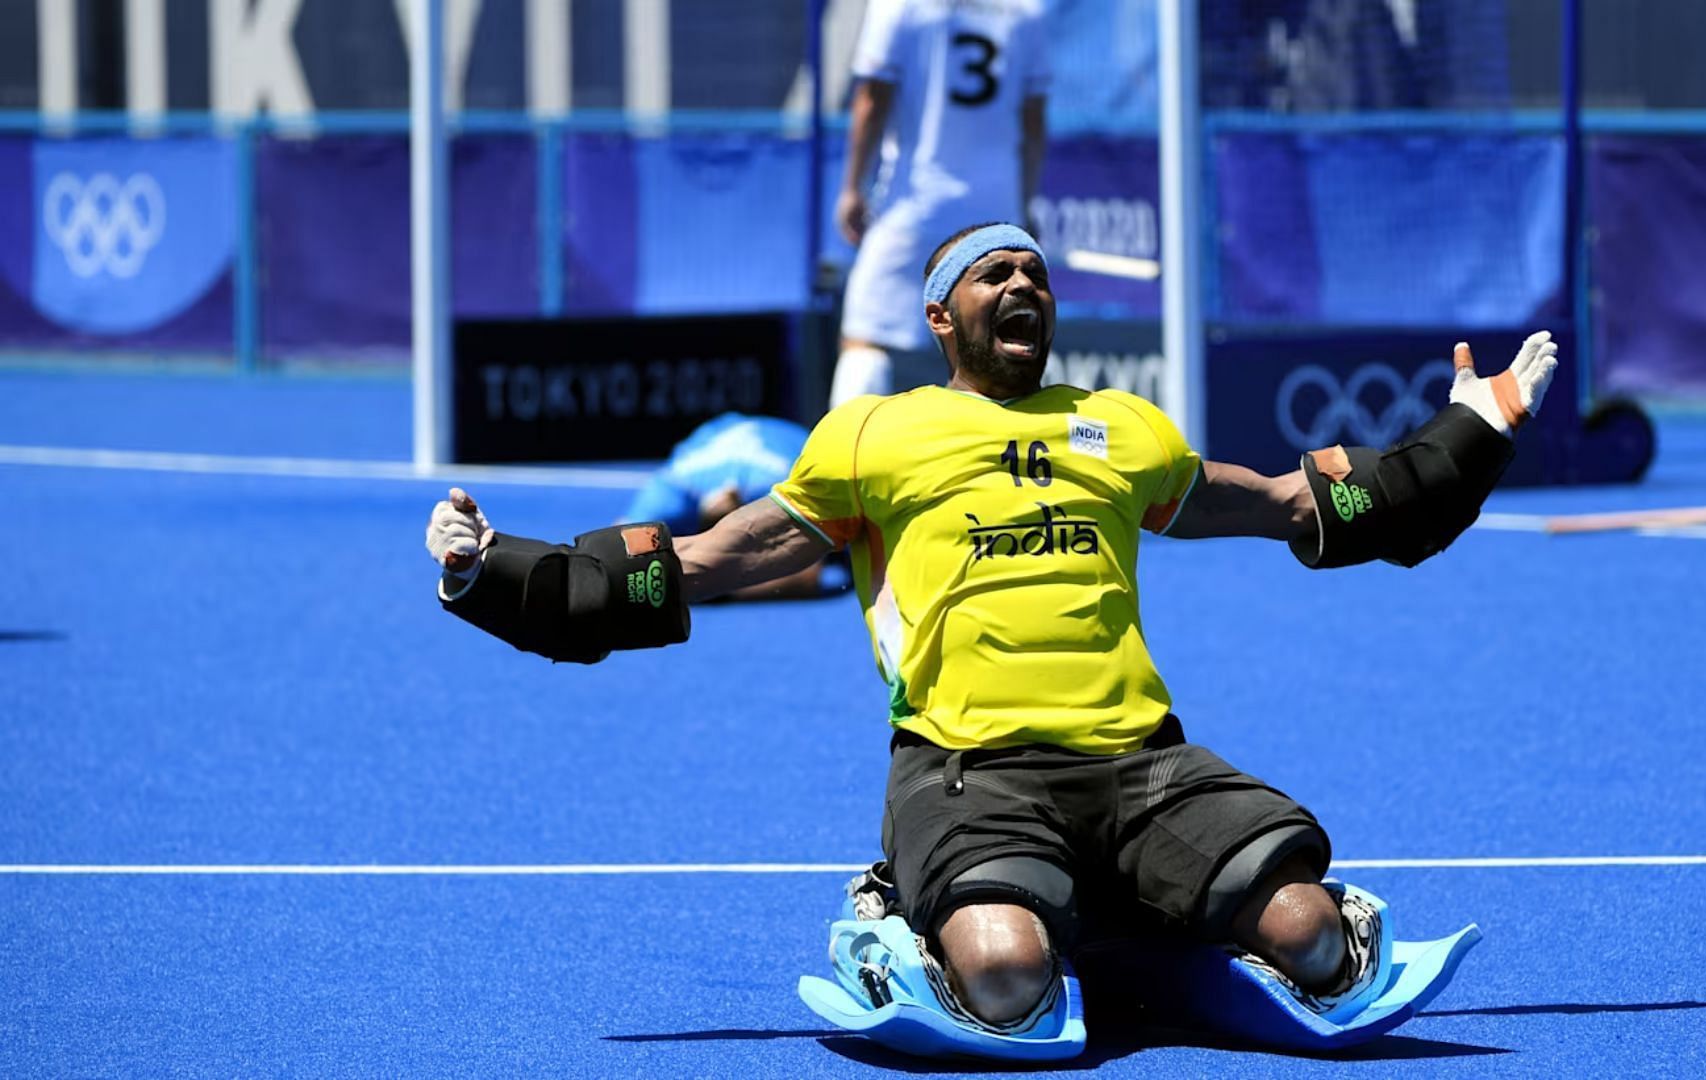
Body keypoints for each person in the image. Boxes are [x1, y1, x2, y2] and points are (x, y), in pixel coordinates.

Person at [424, 223, 1557, 1052]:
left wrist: (1471, 432)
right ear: (940, 316)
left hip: (1145, 766)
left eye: (1036, 274)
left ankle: (1129, 915)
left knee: (1315, 937)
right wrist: (499, 573)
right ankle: (901, 918)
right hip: (969, 772)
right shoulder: (877, 435)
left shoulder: (1123, 430)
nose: (1023, 284)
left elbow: (1296, 505)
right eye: (994, 272)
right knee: (1007, 982)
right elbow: (713, 561)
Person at [830, 0, 1049, 408]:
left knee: (865, 338)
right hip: (996, 217)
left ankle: (841, 466)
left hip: (916, 208)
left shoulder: (899, 5)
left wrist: (852, 188)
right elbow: (1033, 119)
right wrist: (1024, 203)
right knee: (993, 347)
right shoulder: (1026, 10)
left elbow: (872, 99)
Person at [618, 413, 849, 601]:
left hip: (792, 437)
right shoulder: (672, 491)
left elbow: (808, 577)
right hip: (720, 430)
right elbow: (619, 550)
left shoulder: (783, 489)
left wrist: (718, 592)